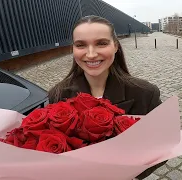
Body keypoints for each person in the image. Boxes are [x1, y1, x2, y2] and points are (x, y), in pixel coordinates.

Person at [48, 15, 166, 179]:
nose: (91, 54)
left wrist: (128, 172)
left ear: (116, 46)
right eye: (81, 45)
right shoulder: (58, 94)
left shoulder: (145, 93)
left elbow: (164, 146)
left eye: (101, 43)